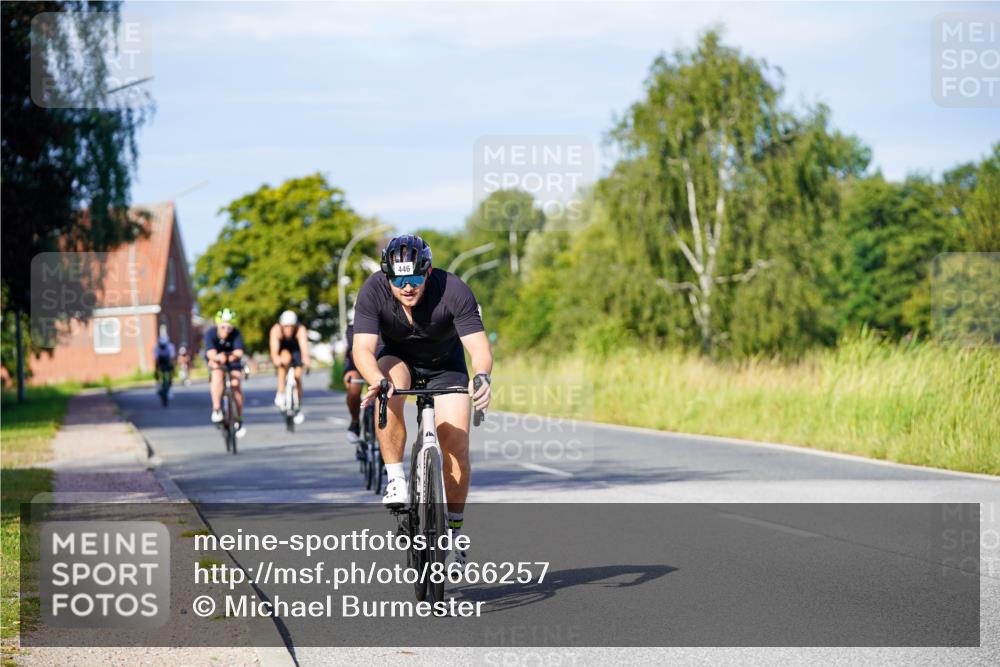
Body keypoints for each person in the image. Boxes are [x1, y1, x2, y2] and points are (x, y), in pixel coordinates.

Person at [353, 234, 493, 566]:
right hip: (397, 360)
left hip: (446, 367)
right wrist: (375, 379)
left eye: (415, 279)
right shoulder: (372, 290)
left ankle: (454, 531)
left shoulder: (453, 289)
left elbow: (479, 347)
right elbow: (362, 349)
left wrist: (482, 376)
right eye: (398, 280)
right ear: (387, 276)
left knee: (455, 445)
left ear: (427, 273)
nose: (407, 287)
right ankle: (396, 479)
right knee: (388, 388)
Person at [204, 308, 247, 437]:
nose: (226, 330)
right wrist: (218, 358)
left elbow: (239, 351)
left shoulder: (236, 334)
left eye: (229, 327)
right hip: (217, 361)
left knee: (236, 384)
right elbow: (210, 352)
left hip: (232, 362)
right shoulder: (211, 333)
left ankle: (238, 417)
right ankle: (217, 408)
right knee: (216, 374)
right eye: (223, 327)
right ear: (218, 325)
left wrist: (228, 357)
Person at [269, 310, 310, 425]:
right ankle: (281, 392)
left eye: (291, 327)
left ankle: (298, 403)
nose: (288, 329)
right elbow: (274, 349)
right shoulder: (276, 330)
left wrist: (306, 358)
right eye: (286, 327)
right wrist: (276, 359)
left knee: (297, 376)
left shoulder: (300, 329)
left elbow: (304, 347)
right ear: (282, 325)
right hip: (283, 350)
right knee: (284, 361)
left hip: (296, 349)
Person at [342, 322, 365, 458]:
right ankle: (355, 422)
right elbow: (354, 352)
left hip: (380, 359)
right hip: (356, 362)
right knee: (353, 386)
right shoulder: (353, 327)